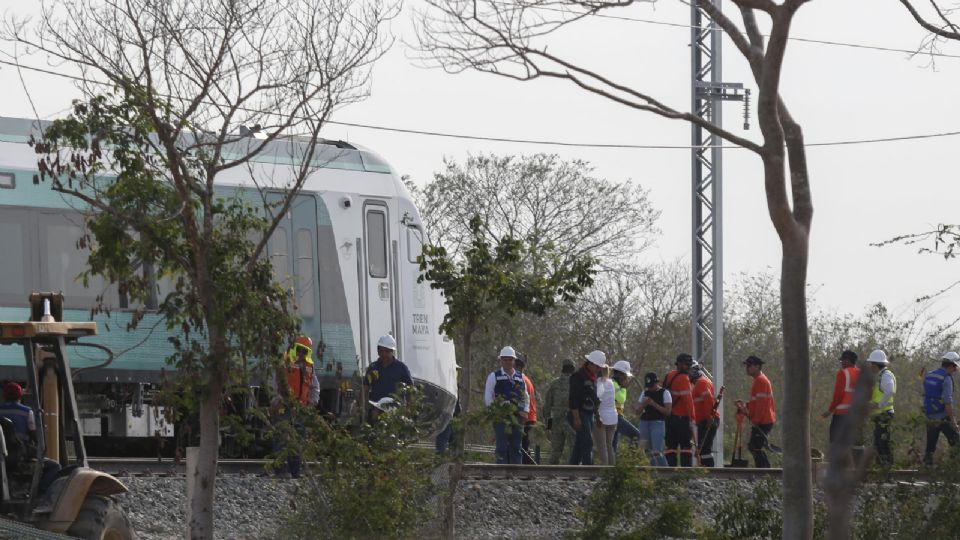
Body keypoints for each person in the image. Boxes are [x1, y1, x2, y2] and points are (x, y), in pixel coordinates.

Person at [273, 335, 321, 478]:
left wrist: (312, 403)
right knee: (281, 439)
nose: (301, 353)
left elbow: (315, 388)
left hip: (300, 409)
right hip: (284, 407)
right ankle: (281, 471)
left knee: (298, 440)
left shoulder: (309, 368)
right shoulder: (284, 362)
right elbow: (274, 382)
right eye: (299, 349)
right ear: (294, 349)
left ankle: (295, 471)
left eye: (304, 351)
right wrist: (277, 399)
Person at [484, 346, 529, 464]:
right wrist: (494, 412)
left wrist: (526, 410)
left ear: (514, 361)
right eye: (505, 359)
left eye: (510, 359)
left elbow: (526, 395)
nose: (508, 362)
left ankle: (516, 474)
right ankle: (500, 474)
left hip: (518, 416)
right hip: (501, 415)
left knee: (516, 446)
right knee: (501, 447)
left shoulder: (521, 377)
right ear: (501, 361)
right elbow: (488, 397)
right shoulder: (494, 376)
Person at [735, 355, 776, 468]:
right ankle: (764, 472)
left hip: (763, 420)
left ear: (757, 366)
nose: (747, 368)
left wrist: (756, 420)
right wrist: (745, 405)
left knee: (755, 446)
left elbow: (762, 404)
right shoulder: (758, 381)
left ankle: (765, 472)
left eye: (749, 365)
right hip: (762, 419)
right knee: (755, 446)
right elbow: (757, 402)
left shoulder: (761, 381)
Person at [363, 334, 413, 423]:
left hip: (395, 412)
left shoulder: (401, 368)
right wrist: (364, 408)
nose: (383, 354)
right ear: (378, 351)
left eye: (387, 351)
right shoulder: (373, 367)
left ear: (392, 351)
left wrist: (408, 410)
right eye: (381, 351)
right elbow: (365, 389)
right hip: (376, 412)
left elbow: (411, 390)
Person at [922, 351, 960, 465]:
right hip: (942, 417)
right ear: (951, 365)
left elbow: (925, 394)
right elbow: (947, 402)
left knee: (930, 446)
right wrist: (953, 422)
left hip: (930, 415)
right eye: (955, 367)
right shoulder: (946, 379)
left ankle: (926, 470)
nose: (956, 370)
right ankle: (952, 467)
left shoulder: (930, 374)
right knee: (957, 442)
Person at [569, 350, 604, 465]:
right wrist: (576, 418)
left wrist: (598, 415)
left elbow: (594, 398)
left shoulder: (594, 377)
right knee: (587, 442)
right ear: (591, 364)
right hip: (579, 414)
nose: (599, 370)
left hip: (589, 414)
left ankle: (572, 469)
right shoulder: (578, 376)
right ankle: (588, 470)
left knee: (580, 443)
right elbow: (573, 398)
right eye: (598, 367)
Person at [820, 350, 861, 449]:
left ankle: (837, 463)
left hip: (842, 413)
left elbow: (838, 395)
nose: (842, 363)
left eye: (843, 360)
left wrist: (830, 410)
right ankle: (857, 462)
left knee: (835, 439)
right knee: (856, 442)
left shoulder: (843, 373)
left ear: (848, 360)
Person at [663, 353, 698, 466]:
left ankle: (671, 472)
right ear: (681, 364)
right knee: (685, 447)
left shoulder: (670, 375)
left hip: (669, 418)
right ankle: (685, 474)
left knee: (671, 447)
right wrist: (692, 419)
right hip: (682, 418)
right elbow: (688, 401)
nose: (689, 367)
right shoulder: (684, 379)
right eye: (687, 365)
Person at [866, 349, 896, 467]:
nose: (870, 367)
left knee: (883, 443)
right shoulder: (880, 376)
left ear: (875, 364)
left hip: (884, 414)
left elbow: (889, 390)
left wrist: (879, 405)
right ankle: (882, 468)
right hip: (880, 415)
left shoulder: (886, 375)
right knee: (878, 443)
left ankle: (887, 469)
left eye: (871, 364)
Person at [544, 359, 576, 465]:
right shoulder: (576, 384)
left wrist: (548, 426)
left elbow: (547, 406)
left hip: (556, 422)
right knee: (574, 450)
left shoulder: (554, 384)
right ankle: (574, 473)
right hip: (572, 421)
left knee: (556, 451)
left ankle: (551, 475)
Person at [637, 372, 672, 466]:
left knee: (657, 451)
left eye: (651, 385)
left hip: (658, 422)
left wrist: (654, 404)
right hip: (644, 422)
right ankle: (652, 473)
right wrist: (644, 404)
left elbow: (667, 412)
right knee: (647, 451)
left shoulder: (665, 393)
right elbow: (637, 411)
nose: (650, 388)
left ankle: (665, 472)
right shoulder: (644, 393)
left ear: (657, 383)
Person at [690, 362, 720, 467]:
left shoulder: (701, 383)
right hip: (704, 420)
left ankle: (709, 473)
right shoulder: (700, 383)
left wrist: (709, 418)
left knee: (705, 449)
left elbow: (708, 401)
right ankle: (706, 471)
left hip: (707, 420)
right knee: (702, 449)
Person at [610, 360, 641, 451]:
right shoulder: (613, 384)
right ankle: (629, 460)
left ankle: (612, 464)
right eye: (625, 375)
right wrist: (624, 388)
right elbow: (621, 399)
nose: (626, 378)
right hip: (615, 417)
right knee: (636, 435)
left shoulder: (615, 383)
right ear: (620, 374)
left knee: (613, 446)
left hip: (615, 416)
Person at [516, 355, 538, 464]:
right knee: (524, 443)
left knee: (521, 445)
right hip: (530, 416)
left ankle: (528, 466)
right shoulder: (527, 379)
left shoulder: (520, 379)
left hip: (525, 416)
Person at [595, 365, 619, 465]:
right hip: (613, 416)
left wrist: (596, 415)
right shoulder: (611, 383)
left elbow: (598, 399)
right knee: (609, 445)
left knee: (602, 446)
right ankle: (611, 469)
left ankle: (604, 469)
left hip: (602, 416)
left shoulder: (598, 383)